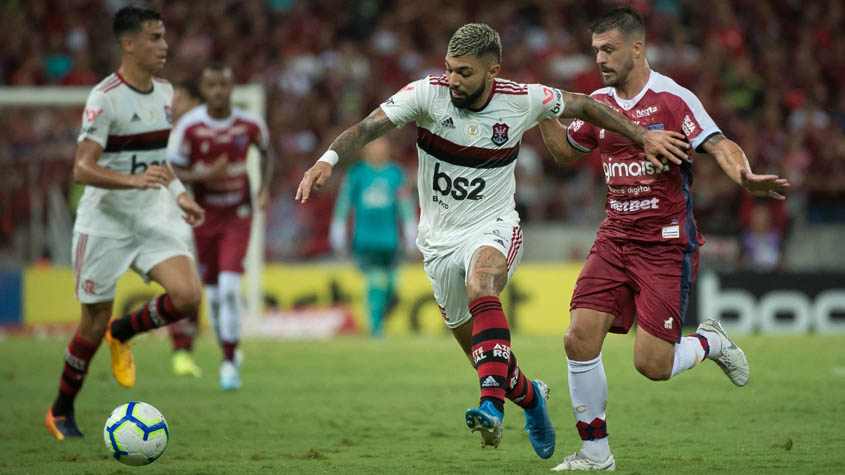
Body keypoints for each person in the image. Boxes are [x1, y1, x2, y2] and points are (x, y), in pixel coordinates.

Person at [296, 23, 689, 459]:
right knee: (486, 359)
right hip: (438, 241)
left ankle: (491, 408)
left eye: (464, 72)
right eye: (449, 69)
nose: (453, 80)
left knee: (482, 286)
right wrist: (326, 160)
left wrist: (642, 135)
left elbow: (583, 105)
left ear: (493, 71)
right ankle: (532, 399)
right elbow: (368, 127)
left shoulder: (520, 99)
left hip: (494, 226)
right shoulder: (426, 93)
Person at [537, 8, 790, 471]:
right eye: (596, 50)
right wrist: (537, 110)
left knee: (652, 365)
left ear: (637, 48)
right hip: (614, 238)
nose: (600, 59)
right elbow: (564, 153)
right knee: (577, 339)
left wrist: (744, 174)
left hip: (664, 244)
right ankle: (596, 453)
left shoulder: (673, 98)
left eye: (609, 49)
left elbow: (718, 144)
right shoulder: (598, 102)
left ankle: (709, 342)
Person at [45, 6, 205, 440]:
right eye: (154, 38)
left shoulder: (166, 93)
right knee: (90, 324)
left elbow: (158, 160)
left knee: (189, 296)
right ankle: (61, 410)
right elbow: (81, 168)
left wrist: (181, 195)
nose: (164, 46)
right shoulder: (105, 97)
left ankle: (125, 330)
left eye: (164, 37)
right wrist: (133, 181)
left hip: (149, 218)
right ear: (128, 44)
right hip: (104, 224)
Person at [168, 62, 274, 390]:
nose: (217, 92)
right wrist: (205, 176)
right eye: (211, 86)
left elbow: (267, 153)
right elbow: (170, 169)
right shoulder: (189, 126)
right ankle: (227, 347)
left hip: (237, 213)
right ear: (204, 90)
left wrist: (263, 187)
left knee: (229, 288)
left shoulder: (249, 123)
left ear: (231, 88)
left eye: (223, 85)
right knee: (212, 295)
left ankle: (229, 362)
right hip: (204, 216)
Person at [329, 136, 417, 337]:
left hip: (391, 239)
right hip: (365, 239)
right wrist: (338, 227)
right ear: (365, 150)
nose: (378, 149)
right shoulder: (357, 174)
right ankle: (375, 327)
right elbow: (344, 202)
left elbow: (405, 203)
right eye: (374, 145)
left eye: (382, 145)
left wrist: (411, 228)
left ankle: (379, 320)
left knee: (393, 285)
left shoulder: (395, 173)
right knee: (376, 281)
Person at [166, 80, 205, 378]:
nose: (173, 102)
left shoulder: (189, 124)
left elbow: (171, 168)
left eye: (178, 95)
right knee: (190, 282)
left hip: (181, 212)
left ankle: (183, 346)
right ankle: (183, 346)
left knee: (187, 283)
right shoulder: (198, 123)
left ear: (192, 99)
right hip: (191, 212)